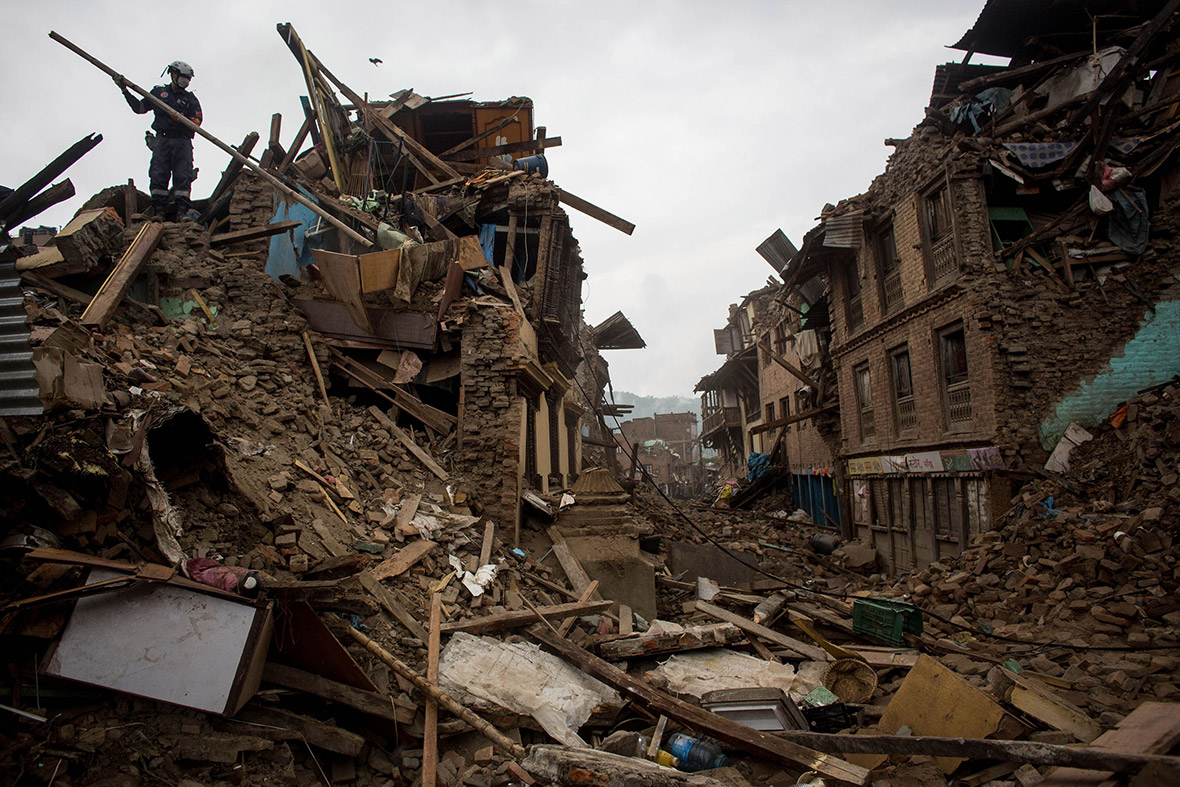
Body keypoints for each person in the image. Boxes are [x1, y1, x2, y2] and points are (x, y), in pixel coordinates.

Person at [115, 61, 203, 220]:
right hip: (162, 140)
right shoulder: (158, 93)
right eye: (183, 77)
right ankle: (159, 212)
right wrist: (125, 91)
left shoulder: (190, 99)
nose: (186, 81)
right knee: (158, 174)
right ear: (173, 74)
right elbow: (140, 108)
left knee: (183, 175)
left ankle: (182, 212)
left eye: (188, 79)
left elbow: (197, 121)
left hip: (182, 142)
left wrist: (181, 118)